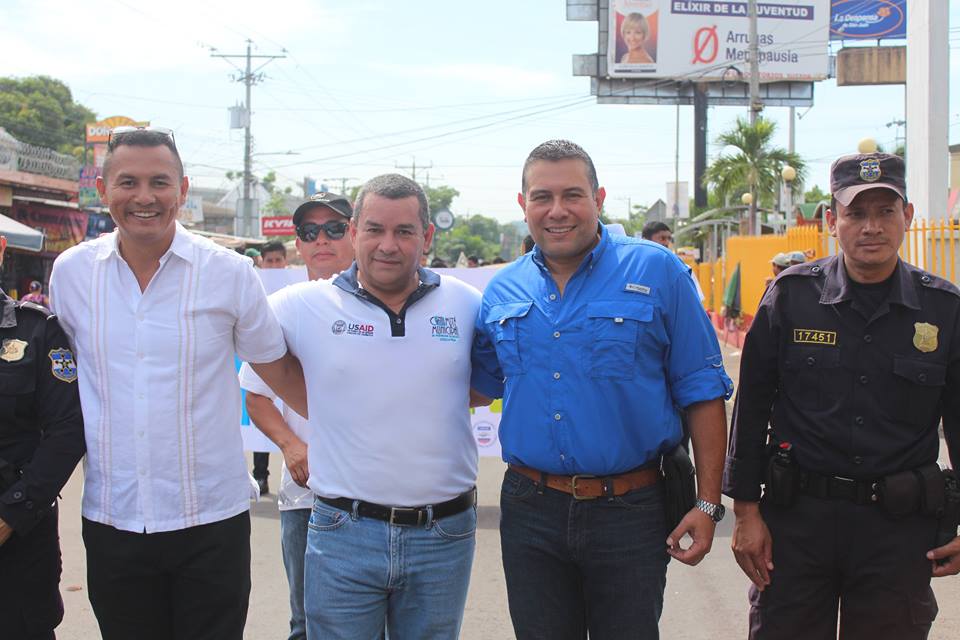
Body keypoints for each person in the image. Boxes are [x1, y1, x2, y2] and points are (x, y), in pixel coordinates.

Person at [49, 127, 306, 640]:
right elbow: (57, 385)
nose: (144, 198)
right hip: (112, 518)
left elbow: (280, 372)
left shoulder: (229, 273)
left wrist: (356, 433)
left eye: (159, 182)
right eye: (128, 182)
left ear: (182, 190)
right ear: (104, 191)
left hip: (210, 520)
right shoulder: (71, 273)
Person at [472, 140, 733, 639]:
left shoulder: (658, 271)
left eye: (573, 194)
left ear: (599, 198)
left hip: (629, 510)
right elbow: (472, 387)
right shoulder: (501, 290)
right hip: (530, 508)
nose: (557, 210)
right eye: (541, 197)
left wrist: (707, 503)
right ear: (522, 204)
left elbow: (702, 391)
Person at [725, 152, 960, 639]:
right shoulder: (790, 298)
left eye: (885, 212)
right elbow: (750, 415)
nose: (871, 227)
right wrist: (745, 513)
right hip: (798, 526)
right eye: (856, 213)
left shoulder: (944, 308)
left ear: (908, 217)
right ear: (832, 221)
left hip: (897, 530)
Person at [264, 174, 483, 639]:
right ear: (356, 231)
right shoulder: (300, 305)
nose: (388, 245)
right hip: (343, 531)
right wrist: (318, 405)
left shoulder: (467, 305)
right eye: (375, 229)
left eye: (404, 231)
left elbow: (486, 383)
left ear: (426, 236)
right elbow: (245, 346)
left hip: (443, 536)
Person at [238, 191, 355, 640]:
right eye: (310, 232)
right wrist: (291, 445)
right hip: (305, 498)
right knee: (306, 622)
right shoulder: (281, 309)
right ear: (298, 244)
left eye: (334, 228)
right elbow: (256, 394)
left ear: (355, 231)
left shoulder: (386, 302)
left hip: (374, 493)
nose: (321, 239)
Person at [0, 234, 85, 640]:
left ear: (0, 249)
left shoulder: (37, 332)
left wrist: (10, 515)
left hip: (17, 537)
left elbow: (68, 430)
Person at [250, 239, 290, 495]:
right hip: (261, 361)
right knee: (261, 420)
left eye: (278, 260)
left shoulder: (297, 286)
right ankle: (260, 475)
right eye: (270, 261)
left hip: (288, 363)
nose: (274, 265)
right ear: (262, 262)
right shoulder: (252, 285)